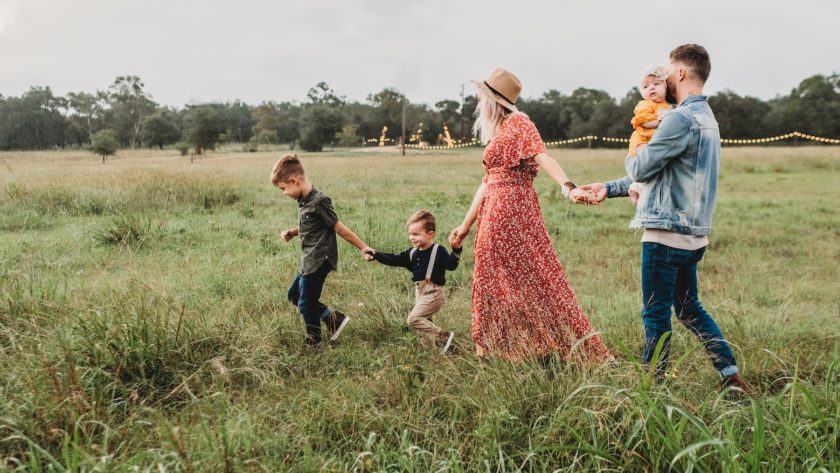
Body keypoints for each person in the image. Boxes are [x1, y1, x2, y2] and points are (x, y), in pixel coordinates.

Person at [581, 44, 753, 392]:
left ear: (681, 73)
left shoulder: (678, 118)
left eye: (667, 72)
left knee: (655, 312)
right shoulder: (708, 119)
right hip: (694, 236)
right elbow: (663, 173)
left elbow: (643, 166)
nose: (663, 79)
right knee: (690, 309)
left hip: (664, 234)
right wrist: (609, 188)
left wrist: (636, 152)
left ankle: (652, 387)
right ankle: (729, 374)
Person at [448, 67, 612, 362]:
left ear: (493, 100)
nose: (477, 103)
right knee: (498, 279)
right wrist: (465, 225)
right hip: (495, 210)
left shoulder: (519, 123)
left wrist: (568, 187)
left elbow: (543, 156)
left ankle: (533, 346)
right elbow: (487, 181)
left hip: (510, 210)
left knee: (530, 278)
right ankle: (498, 349)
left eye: (481, 97)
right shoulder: (500, 130)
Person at [271, 154, 374, 348]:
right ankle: (333, 318)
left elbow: (338, 227)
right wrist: (293, 232)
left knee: (305, 303)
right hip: (308, 260)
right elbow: (310, 225)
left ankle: (315, 341)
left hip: (319, 260)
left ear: (293, 181)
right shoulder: (304, 201)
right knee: (294, 295)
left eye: (283, 189)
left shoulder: (320, 201)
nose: (284, 193)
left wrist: (363, 247)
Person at [366, 210, 460, 354]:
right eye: (410, 234)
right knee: (424, 326)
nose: (412, 238)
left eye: (416, 234)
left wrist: (456, 250)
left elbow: (451, 265)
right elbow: (394, 259)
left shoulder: (438, 250)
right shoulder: (412, 253)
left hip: (434, 293)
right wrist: (376, 254)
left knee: (414, 319)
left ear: (430, 234)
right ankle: (431, 354)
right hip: (420, 292)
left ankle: (444, 336)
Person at [628, 66, 673, 207]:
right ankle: (640, 192)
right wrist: (659, 122)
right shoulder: (644, 104)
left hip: (653, 140)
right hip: (642, 140)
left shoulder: (667, 106)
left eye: (656, 84)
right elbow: (644, 121)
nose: (651, 88)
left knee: (654, 167)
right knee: (646, 161)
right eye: (646, 86)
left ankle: (635, 188)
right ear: (642, 92)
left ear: (666, 88)